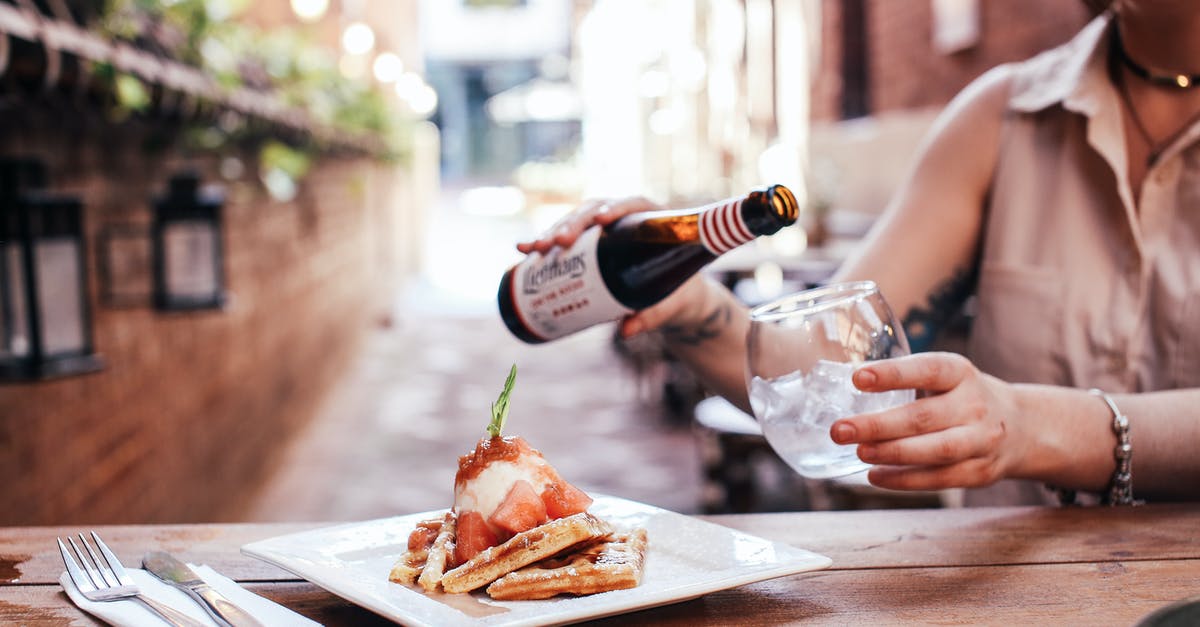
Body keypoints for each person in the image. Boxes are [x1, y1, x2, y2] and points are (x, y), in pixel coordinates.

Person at [516, 0, 1200, 505]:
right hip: (1009, 595)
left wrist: (1034, 426)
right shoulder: (1001, 118)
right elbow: (821, 374)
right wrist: (688, 303)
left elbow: (1019, 423)